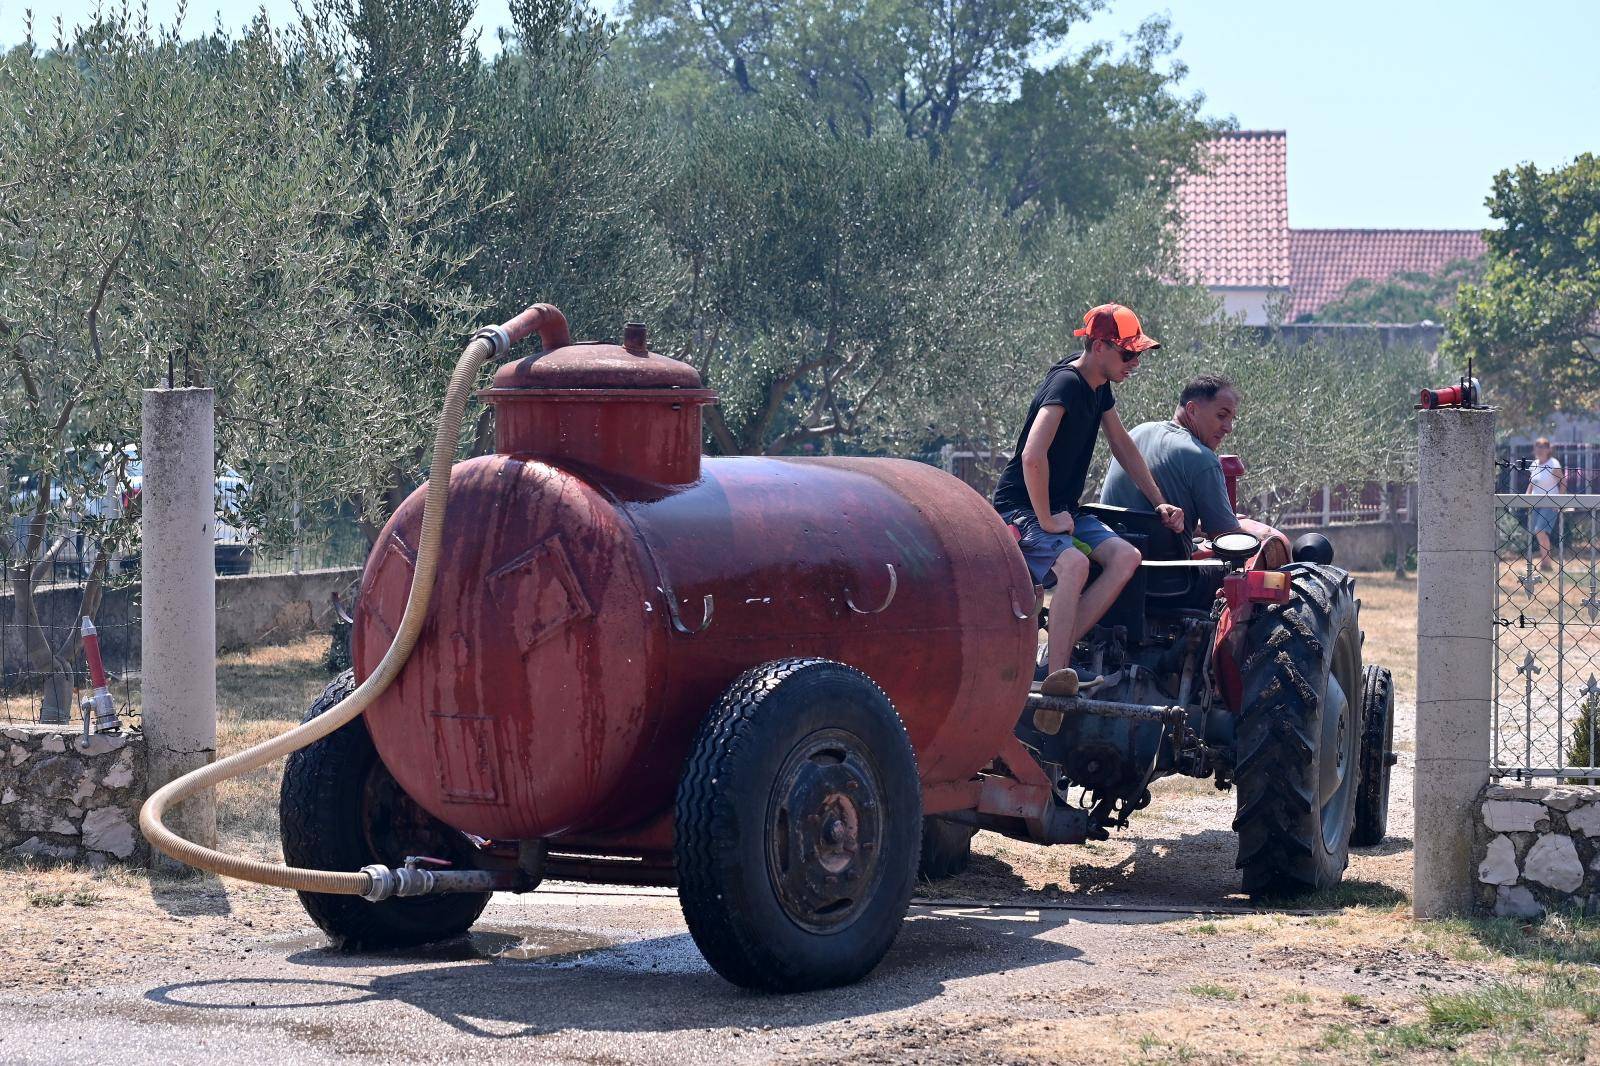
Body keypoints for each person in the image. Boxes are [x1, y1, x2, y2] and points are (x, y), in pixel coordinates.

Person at [991, 303, 1183, 696]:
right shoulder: (1065, 385)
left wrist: (1159, 501)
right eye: (1128, 354)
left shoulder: (1099, 387)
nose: (1135, 363)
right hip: (1022, 508)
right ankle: (1056, 677)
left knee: (1126, 557)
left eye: (1138, 354)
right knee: (1075, 565)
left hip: (1062, 511)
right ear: (1099, 346)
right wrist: (1044, 520)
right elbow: (1032, 455)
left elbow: (1122, 445)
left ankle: (1049, 664)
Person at [1099, 374, 1244, 541]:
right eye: (1221, 415)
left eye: (1231, 419)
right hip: (1160, 562)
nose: (1228, 428)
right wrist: (1264, 536)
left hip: (1105, 547)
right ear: (1191, 410)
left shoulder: (1136, 433)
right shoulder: (1202, 458)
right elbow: (1225, 538)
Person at [1528, 437, 1565, 572]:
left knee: (1540, 530)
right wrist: (1526, 500)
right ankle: (1545, 562)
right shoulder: (1534, 464)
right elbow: (1531, 484)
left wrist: (1558, 502)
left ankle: (1546, 563)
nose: (1539, 449)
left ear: (1549, 449)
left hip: (1550, 503)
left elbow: (1563, 483)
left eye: (1543, 446)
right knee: (1539, 533)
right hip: (1535, 504)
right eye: (1537, 446)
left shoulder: (1553, 463)